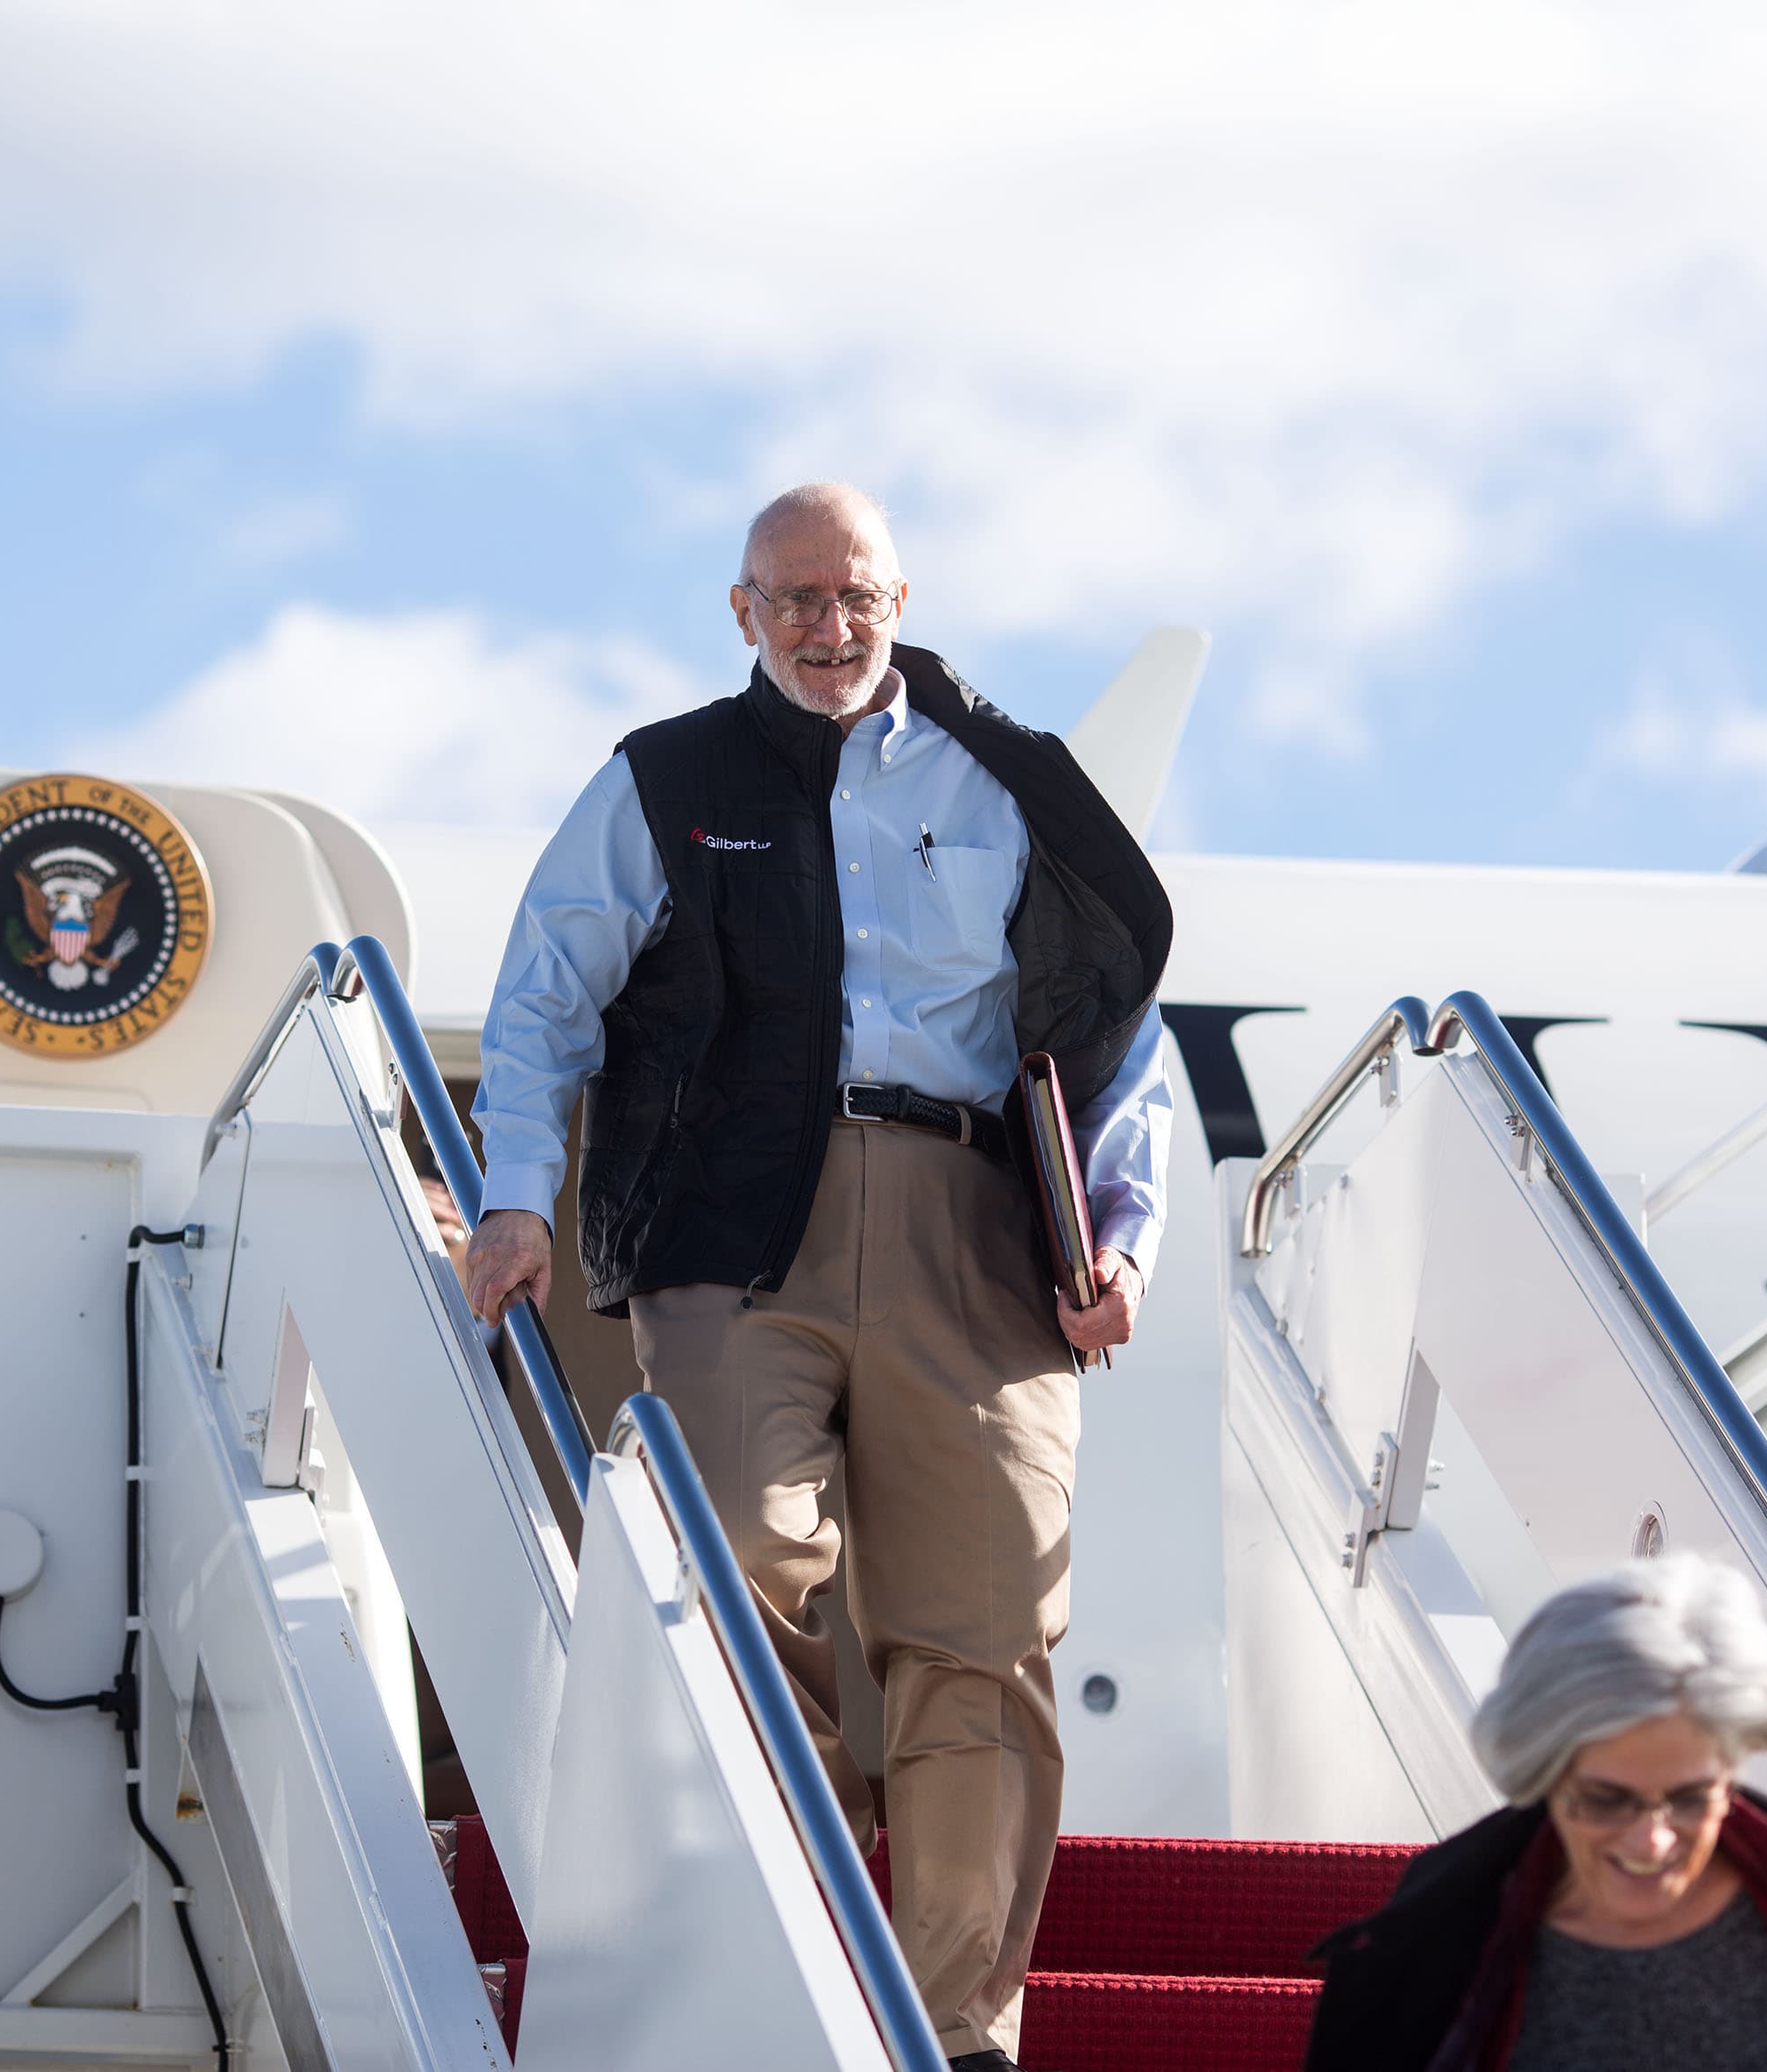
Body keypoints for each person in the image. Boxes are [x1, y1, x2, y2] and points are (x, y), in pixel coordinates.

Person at [461, 481, 1176, 2070]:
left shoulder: (1015, 786)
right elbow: (540, 1004)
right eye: (791, 598)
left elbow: (1120, 1040)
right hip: (731, 1232)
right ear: (741, 612)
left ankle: (950, 2027)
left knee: (982, 1632)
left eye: (852, 595)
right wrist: (515, 1197)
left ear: (900, 596)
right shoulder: (664, 779)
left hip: (977, 1232)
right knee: (736, 1575)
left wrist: (1119, 1235)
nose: (825, 625)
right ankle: (769, 1961)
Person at [1304, 1555, 1767, 2072]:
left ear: (1735, 1768)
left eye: (1690, 1797)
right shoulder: (1429, 1936)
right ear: (1544, 1773)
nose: (1651, 1839)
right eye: (1604, 1799)